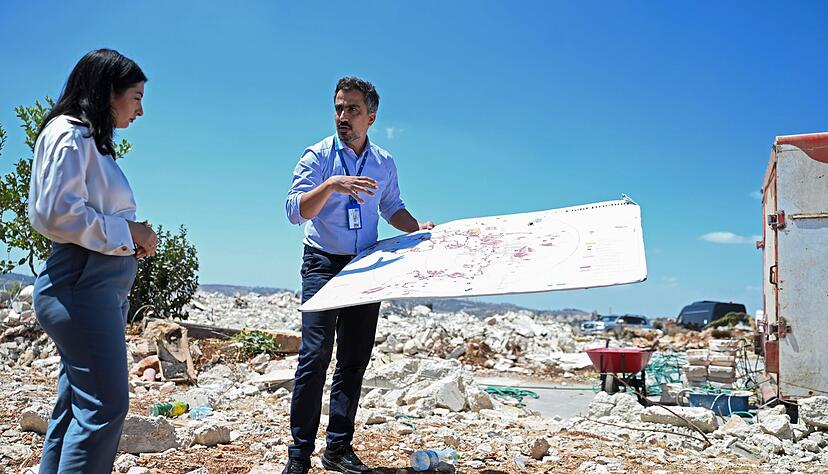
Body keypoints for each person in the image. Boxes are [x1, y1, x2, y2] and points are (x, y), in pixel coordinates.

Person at [284, 77, 433, 474]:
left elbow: (392, 207)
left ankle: (337, 449)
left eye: (352, 109)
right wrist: (332, 185)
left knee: (353, 360)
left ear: (371, 117)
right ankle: (299, 455)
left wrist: (417, 228)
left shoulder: (383, 162)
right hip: (322, 263)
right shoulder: (317, 156)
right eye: (338, 108)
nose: (343, 116)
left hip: (366, 266)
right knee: (314, 356)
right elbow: (295, 211)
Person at [28, 48, 158, 474]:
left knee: (75, 408)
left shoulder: (88, 139)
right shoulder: (71, 135)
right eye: (136, 97)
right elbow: (57, 215)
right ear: (108, 92)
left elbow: (87, 211)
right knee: (104, 407)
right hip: (82, 284)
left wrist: (130, 235)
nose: (140, 110)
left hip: (95, 286)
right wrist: (128, 232)